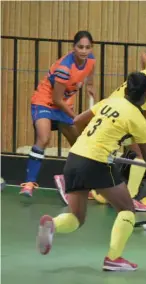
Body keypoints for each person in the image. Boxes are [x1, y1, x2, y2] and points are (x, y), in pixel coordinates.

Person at [36, 72, 146, 271]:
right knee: (127, 210)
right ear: (144, 97)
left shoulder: (108, 102)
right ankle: (113, 259)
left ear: (126, 89)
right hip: (96, 162)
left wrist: (96, 141)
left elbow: (77, 122)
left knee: (77, 218)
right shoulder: (139, 120)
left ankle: (53, 224)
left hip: (74, 157)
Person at [54, 50, 146, 211]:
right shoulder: (144, 96)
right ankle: (131, 197)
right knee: (141, 155)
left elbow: (144, 55)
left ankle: (82, 184)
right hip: (120, 117)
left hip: (108, 110)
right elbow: (144, 113)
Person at [20, 30, 96, 197]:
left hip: (63, 104)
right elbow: (57, 100)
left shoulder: (90, 60)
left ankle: (75, 183)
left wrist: (90, 85)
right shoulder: (64, 68)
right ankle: (29, 184)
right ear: (73, 47)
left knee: (79, 143)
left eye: (87, 47)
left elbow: (89, 74)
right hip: (45, 102)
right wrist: (75, 117)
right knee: (44, 138)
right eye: (80, 47)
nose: (84, 51)